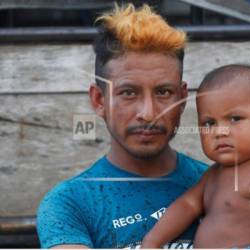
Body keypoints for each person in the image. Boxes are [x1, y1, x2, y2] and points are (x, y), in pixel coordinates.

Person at [36, 3, 208, 249]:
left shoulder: (217, 186)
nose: (148, 114)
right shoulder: (69, 204)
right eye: (128, 93)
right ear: (99, 100)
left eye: (163, 92)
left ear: (181, 98)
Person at [141, 64, 250, 249]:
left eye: (235, 119)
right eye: (209, 123)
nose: (219, 132)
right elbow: (186, 206)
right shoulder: (213, 174)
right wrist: (153, 241)